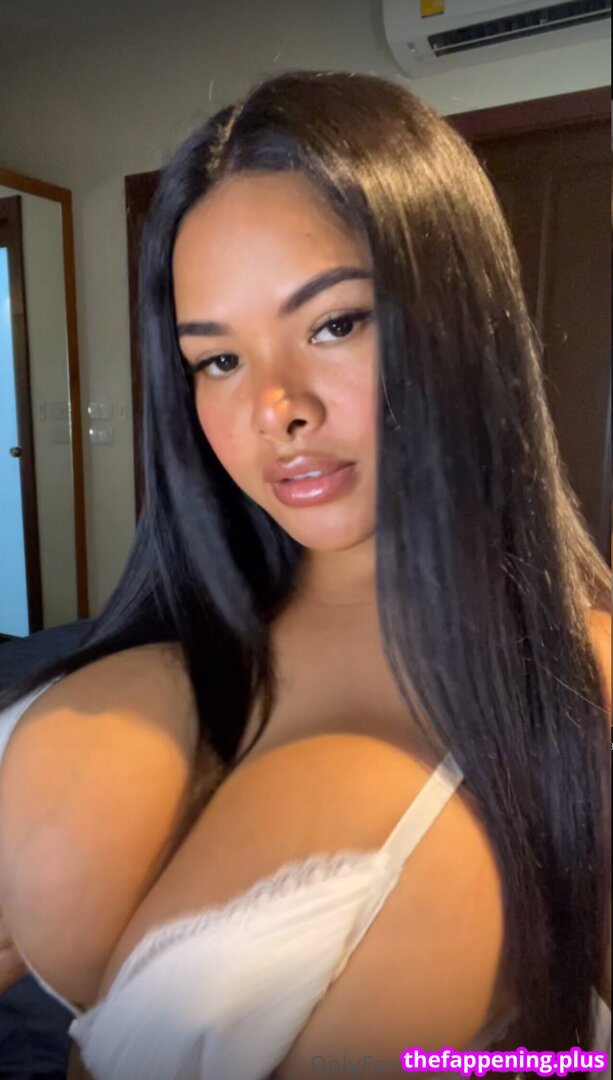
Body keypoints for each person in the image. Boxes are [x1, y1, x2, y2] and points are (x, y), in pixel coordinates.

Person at [0, 69, 610, 1080]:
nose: (274, 409)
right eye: (217, 360)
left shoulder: (583, 690)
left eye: (333, 324)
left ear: (460, 321)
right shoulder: (147, 667)